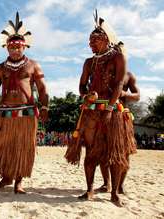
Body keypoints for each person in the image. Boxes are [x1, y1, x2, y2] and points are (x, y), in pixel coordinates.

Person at [0, 12, 49, 194]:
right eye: (12, 47)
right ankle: (6, 176)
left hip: (27, 112)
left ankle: (18, 181)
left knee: (22, 147)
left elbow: (42, 89)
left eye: (18, 46)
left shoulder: (33, 65)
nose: (15, 50)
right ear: (7, 48)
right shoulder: (1, 68)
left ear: (24, 47)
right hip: (5, 112)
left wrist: (45, 106)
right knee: (3, 145)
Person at [65, 12, 128, 206]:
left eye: (94, 41)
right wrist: (85, 96)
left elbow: (118, 84)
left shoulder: (118, 57)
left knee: (115, 153)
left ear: (105, 39)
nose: (90, 45)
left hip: (112, 110)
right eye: (90, 41)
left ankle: (114, 193)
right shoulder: (89, 62)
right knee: (91, 151)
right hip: (91, 111)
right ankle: (90, 189)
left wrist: (109, 108)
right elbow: (82, 85)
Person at [98, 71, 140, 193]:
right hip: (102, 114)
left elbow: (137, 96)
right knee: (103, 151)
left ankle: (120, 185)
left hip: (121, 117)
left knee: (124, 153)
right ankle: (106, 184)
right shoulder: (100, 71)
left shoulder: (128, 75)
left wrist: (123, 93)